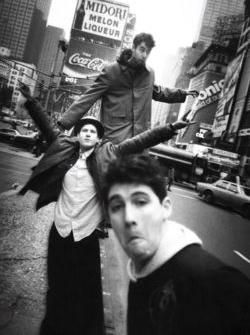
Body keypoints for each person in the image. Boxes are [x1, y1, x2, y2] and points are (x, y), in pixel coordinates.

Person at [18, 84, 192, 335]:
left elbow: (141, 140)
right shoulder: (64, 149)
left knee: (84, 291)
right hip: (60, 231)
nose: (88, 133)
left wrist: (171, 128)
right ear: (77, 135)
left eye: (92, 131)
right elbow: (46, 124)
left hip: (87, 235)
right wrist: (31, 101)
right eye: (83, 130)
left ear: (99, 138)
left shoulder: (109, 152)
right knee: (57, 286)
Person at [103, 154, 250, 335]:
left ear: (166, 208)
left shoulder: (216, 284)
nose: (128, 218)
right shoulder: (140, 271)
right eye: (117, 207)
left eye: (140, 202)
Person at [58, 32, 199, 143]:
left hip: (140, 139)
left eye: (147, 52)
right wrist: (63, 124)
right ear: (133, 47)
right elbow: (87, 98)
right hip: (113, 137)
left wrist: (183, 94)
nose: (144, 55)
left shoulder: (149, 74)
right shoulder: (112, 71)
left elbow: (158, 92)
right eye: (142, 50)